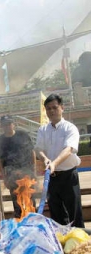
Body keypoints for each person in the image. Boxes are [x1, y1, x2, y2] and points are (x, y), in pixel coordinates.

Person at [35, 94, 84, 228]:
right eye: (48, 108)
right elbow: (38, 148)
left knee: (74, 214)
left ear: (62, 108)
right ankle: (60, 245)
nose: (51, 111)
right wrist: (45, 159)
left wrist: (54, 163)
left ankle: (79, 246)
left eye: (55, 108)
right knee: (56, 214)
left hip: (68, 176)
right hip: (51, 178)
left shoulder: (70, 128)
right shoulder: (43, 129)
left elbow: (69, 149)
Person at [0, 115, 36, 218]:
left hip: (27, 173)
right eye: (4, 125)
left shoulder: (23, 135)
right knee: (17, 203)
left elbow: (32, 152)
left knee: (30, 200)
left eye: (9, 124)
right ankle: (20, 223)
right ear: (1, 126)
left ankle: (33, 222)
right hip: (11, 175)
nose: (7, 126)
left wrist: (34, 170)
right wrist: (4, 177)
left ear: (13, 124)